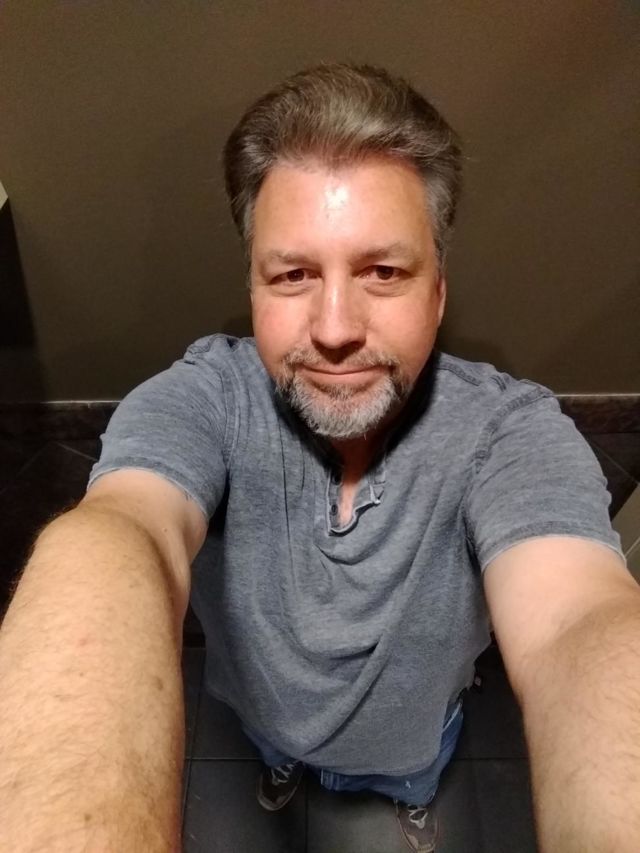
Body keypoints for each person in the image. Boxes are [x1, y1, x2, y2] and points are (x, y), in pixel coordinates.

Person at [0, 63, 638, 853]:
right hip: (265, 721)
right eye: (294, 274)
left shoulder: (510, 433)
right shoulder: (205, 399)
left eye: (383, 272)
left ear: (438, 292)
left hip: (414, 744)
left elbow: (578, 617)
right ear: (254, 288)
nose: (335, 328)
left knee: (416, 778)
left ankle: (410, 800)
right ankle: (283, 770)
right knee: (277, 754)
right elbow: (122, 531)